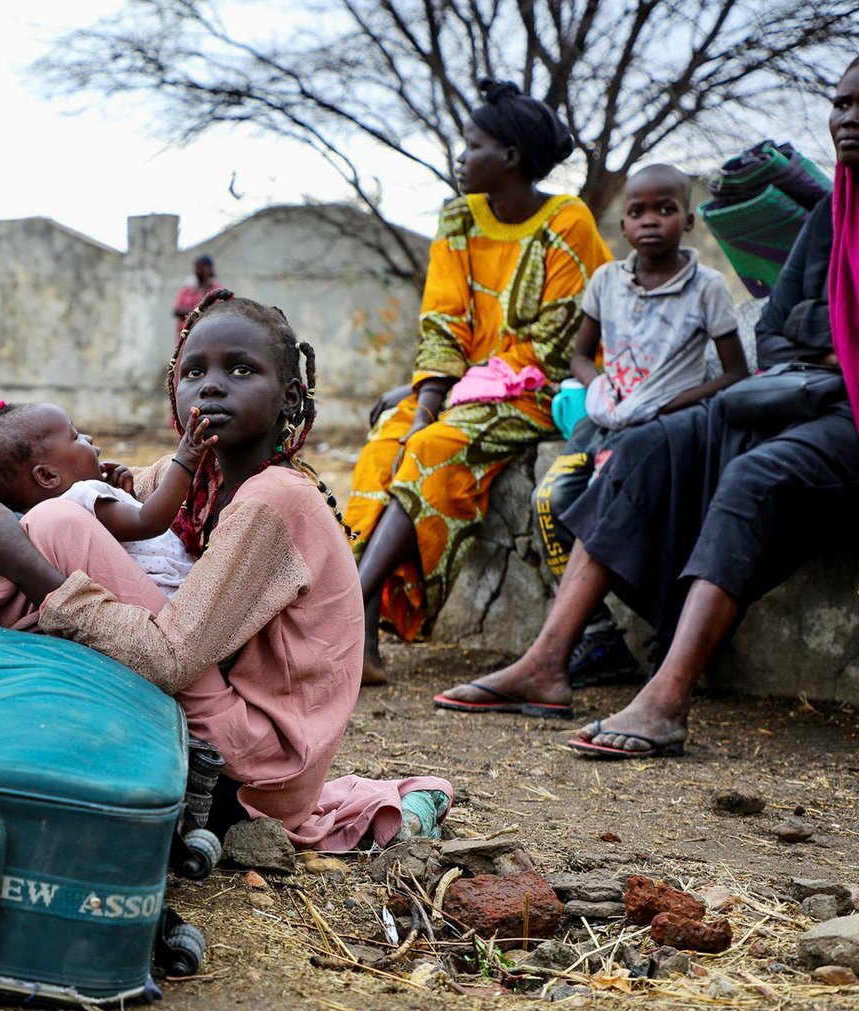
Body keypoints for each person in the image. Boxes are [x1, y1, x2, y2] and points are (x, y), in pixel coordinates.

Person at [435, 57, 859, 757]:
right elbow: (782, 324)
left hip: (842, 417)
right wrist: (825, 350)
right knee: (641, 446)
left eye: (858, 103)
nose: (845, 117)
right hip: (801, 396)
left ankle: (666, 698)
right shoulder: (831, 216)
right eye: (838, 103)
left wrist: (823, 354)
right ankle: (547, 663)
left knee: (752, 480)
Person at [0, 290, 451, 851]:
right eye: (193, 371)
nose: (212, 385)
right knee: (46, 520)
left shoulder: (274, 500)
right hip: (216, 725)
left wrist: (27, 566)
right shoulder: (196, 479)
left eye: (242, 369)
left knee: (57, 525)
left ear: (289, 396)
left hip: (251, 769)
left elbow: (170, 659)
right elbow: (59, 487)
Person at [347, 78, 612, 687]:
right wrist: (424, 398)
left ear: (511, 157)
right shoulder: (459, 220)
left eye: (472, 146)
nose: (462, 159)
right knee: (388, 443)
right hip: (464, 386)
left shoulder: (566, 222)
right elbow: (442, 319)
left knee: (433, 446)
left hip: (537, 390)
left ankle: (352, 606)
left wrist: (439, 407)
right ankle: (354, 620)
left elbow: (553, 346)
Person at [520, 164, 748, 691]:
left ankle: (647, 637)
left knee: (616, 517)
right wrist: (598, 386)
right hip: (604, 422)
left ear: (688, 220)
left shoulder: (706, 288)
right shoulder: (606, 281)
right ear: (622, 225)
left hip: (658, 434)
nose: (650, 222)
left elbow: (735, 374)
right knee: (551, 499)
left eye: (665, 210)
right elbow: (580, 355)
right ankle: (597, 635)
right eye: (637, 211)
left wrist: (667, 405)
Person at [0, 400, 215, 599]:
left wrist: (125, 495)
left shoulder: (42, 523)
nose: (89, 439)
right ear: (48, 476)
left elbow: (129, 542)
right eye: (75, 436)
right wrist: (185, 460)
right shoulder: (81, 497)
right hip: (169, 595)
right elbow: (148, 522)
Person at [173, 255, 217, 327]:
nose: (200, 270)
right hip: (186, 335)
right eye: (198, 267)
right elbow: (176, 311)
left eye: (203, 267)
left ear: (210, 269)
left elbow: (221, 310)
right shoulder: (187, 289)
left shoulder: (216, 289)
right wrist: (200, 311)